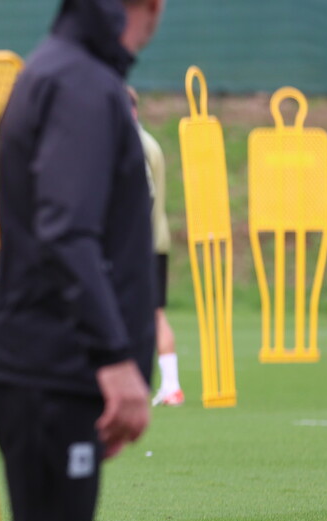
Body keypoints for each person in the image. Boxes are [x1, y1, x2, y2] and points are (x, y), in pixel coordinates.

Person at [0, 0, 165, 521]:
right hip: (46, 366)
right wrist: (115, 360)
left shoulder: (67, 72)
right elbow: (67, 232)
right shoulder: (78, 82)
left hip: (46, 363)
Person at [127, 86, 185, 407]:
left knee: (145, 315)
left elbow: (144, 194)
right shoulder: (149, 142)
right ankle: (169, 385)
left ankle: (162, 384)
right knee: (153, 313)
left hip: (141, 243)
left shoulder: (135, 143)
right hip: (154, 239)